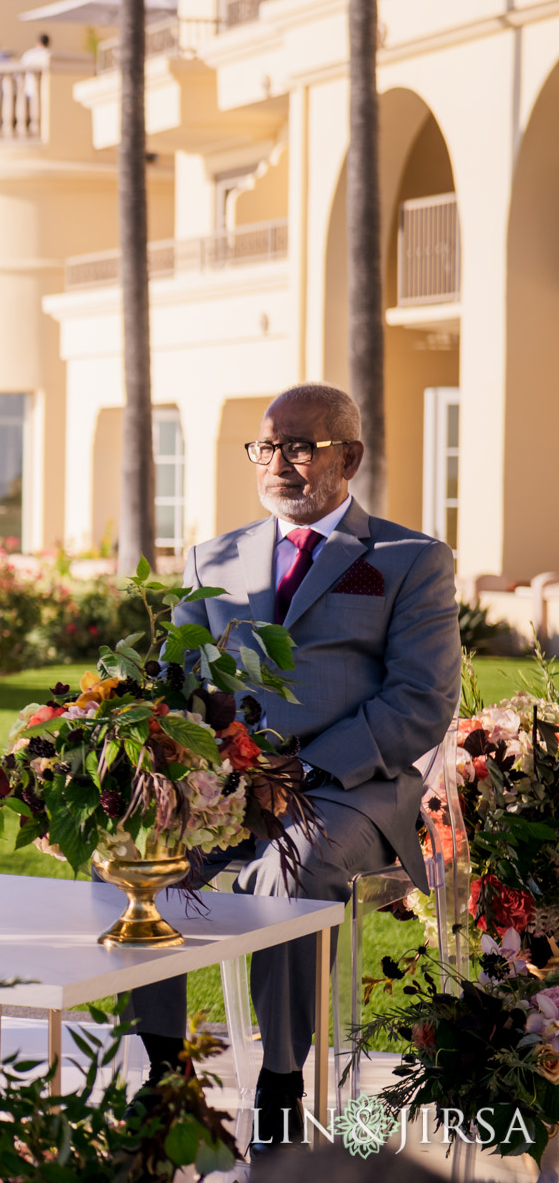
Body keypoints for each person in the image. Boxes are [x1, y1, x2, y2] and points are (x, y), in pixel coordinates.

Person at [129, 382, 458, 1153]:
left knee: (290, 863)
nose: (281, 462)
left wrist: (303, 770)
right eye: (268, 447)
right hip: (231, 787)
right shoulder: (215, 557)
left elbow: (420, 699)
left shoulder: (408, 559)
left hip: (352, 793)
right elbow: (179, 682)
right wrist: (171, 749)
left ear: (351, 456)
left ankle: (280, 1084)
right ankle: (165, 1072)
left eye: (302, 446)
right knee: (141, 856)